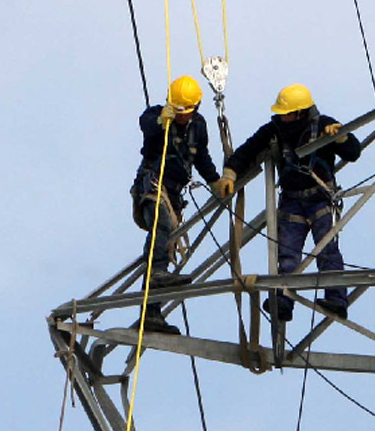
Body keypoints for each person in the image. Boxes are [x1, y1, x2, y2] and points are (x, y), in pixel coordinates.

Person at [221, 84, 361, 321]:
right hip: (291, 202)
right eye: (282, 113)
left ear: (301, 112)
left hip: (319, 199)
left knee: (328, 251)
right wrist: (230, 173)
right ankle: (282, 300)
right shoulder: (274, 130)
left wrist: (340, 137)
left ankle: (336, 299)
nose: (284, 118)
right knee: (287, 256)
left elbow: (353, 152)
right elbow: (248, 150)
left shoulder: (323, 125)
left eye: (287, 113)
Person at [130, 75, 231, 335]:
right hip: (154, 184)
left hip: (174, 194)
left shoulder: (198, 125)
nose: (182, 116)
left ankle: (152, 313)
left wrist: (215, 181)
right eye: (178, 110)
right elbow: (146, 127)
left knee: (167, 242)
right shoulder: (157, 116)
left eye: (186, 111)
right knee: (161, 229)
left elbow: (202, 157)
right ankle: (157, 274)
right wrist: (160, 120)